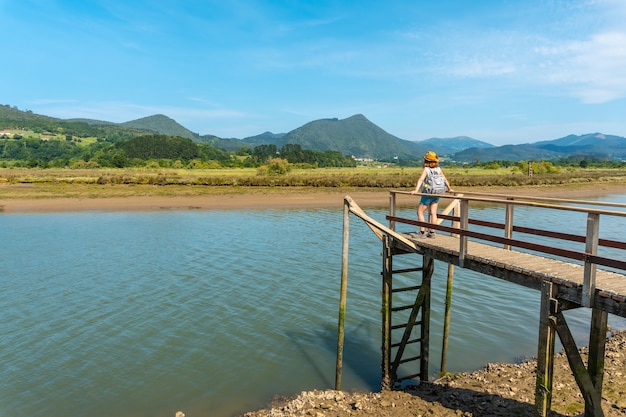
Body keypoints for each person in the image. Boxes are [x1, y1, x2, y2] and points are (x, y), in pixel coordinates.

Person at [410, 151, 452, 238]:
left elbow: (421, 179)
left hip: (428, 193)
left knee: (420, 212)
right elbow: (444, 179)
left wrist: (416, 190)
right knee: (433, 213)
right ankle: (432, 232)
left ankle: (422, 232)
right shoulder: (439, 169)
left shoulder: (426, 169)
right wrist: (449, 188)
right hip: (437, 193)